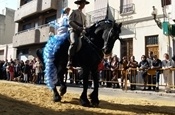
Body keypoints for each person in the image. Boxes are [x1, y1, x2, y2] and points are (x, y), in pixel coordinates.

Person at [43, 7, 71, 89]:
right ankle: (70, 60)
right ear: (65, 12)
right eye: (67, 11)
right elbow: (69, 27)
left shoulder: (58, 20)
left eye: (68, 11)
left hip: (57, 37)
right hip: (64, 36)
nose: (68, 12)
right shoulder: (66, 18)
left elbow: (56, 29)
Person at [67, 0, 90, 69]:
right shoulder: (73, 11)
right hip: (73, 31)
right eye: (82, 3)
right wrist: (77, 28)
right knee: (74, 43)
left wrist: (85, 29)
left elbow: (85, 25)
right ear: (79, 4)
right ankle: (70, 61)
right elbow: (70, 22)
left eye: (84, 3)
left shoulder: (84, 15)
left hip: (81, 32)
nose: (83, 5)